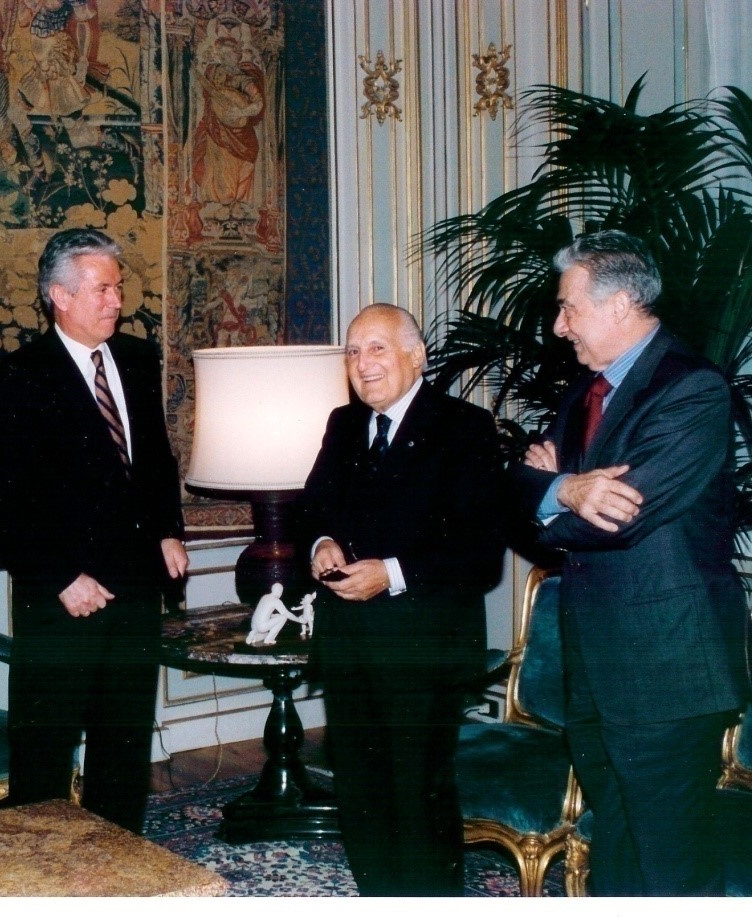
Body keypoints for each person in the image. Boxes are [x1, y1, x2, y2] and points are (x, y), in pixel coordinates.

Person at [509, 230, 749, 895]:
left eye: (568, 309)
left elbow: (618, 516)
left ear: (617, 305)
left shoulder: (692, 388)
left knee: (671, 862)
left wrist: (554, 490)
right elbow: (521, 489)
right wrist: (565, 489)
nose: (559, 327)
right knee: (614, 839)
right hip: (599, 667)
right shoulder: (583, 394)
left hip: (668, 673)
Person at [0, 227, 189, 834]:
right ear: (59, 297)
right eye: (101, 289)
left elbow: (155, 458)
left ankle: (119, 873)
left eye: (118, 288)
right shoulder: (20, 377)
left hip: (134, 589)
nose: (115, 301)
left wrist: (168, 530)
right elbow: (5, 502)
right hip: (63, 598)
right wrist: (61, 579)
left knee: (123, 748)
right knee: (44, 756)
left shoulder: (135, 358)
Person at [297, 303, 504, 895]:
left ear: (417, 356)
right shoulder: (342, 424)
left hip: (424, 648)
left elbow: (479, 552)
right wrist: (322, 542)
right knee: (360, 790)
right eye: (353, 351)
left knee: (417, 793)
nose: (362, 364)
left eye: (377, 348)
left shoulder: (463, 429)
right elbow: (315, 508)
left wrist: (391, 573)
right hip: (350, 647)